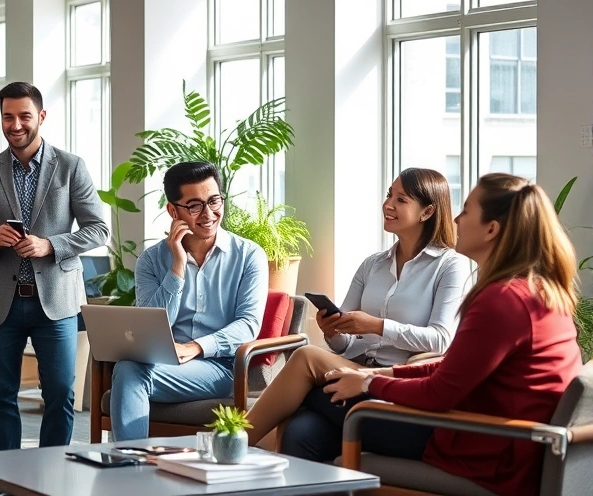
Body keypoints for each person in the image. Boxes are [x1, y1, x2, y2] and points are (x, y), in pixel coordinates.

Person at [325, 173, 582, 496]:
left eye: (466, 211)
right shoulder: (536, 290)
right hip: (497, 445)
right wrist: (383, 373)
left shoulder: (503, 301)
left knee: (322, 400)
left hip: (486, 459)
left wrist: (367, 382)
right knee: (311, 427)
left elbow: (440, 392)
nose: (457, 219)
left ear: (492, 229)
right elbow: (454, 367)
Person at [244, 168, 471, 459]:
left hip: (393, 380)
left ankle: (229, 444)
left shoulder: (450, 266)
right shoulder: (372, 264)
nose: (388, 204)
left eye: (401, 199)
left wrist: (378, 326)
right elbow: (347, 344)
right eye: (389, 194)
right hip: (351, 369)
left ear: (427, 212)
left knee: (305, 356)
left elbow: (441, 340)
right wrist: (333, 331)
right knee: (301, 435)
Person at [0, 81, 108, 452]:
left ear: (40, 116)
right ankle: (5, 476)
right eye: (8, 117)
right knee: (2, 395)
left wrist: (51, 244)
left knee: (59, 394)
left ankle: (51, 475)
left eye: (24, 116)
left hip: (56, 302)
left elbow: (98, 229)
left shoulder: (71, 167)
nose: (16, 125)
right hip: (2, 302)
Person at [110, 161, 269, 441]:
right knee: (128, 369)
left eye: (214, 201)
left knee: (130, 373)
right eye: (195, 205)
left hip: (222, 368)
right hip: (165, 364)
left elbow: (248, 325)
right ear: (173, 211)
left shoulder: (249, 256)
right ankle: (133, 462)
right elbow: (151, 322)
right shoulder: (151, 260)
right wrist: (177, 267)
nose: (208, 214)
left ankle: (128, 464)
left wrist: (196, 347)